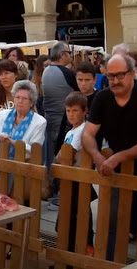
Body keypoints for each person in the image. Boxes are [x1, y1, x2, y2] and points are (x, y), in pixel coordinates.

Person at [82, 54, 137, 260]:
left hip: (125, 163)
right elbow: (88, 134)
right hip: (118, 171)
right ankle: (111, 263)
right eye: (110, 75)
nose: (114, 81)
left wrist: (118, 157)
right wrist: (98, 157)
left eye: (120, 75)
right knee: (114, 219)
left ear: (132, 74)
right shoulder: (102, 98)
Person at [0, 80, 46, 192]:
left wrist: (11, 141)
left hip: (22, 168)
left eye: (24, 98)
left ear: (31, 103)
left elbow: (34, 149)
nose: (20, 101)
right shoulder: (2, 115)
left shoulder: (39, 122)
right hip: (0, 164)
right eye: (17, 97)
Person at [54, 92, 95, 257]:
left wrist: (59, 158)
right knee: (66, 219)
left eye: (75, 110)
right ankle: (67, 253)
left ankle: (82, 252)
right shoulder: (70, 131)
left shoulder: (83, 131)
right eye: (68, 110)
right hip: (67, 180)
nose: (71, 114)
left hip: (79, 181)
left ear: (85, 111)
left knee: (81, 219)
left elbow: (64, 154)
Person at [42, 41, 78, 197]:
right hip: (64, 121)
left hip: (49, 120)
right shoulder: (67, 73)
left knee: (52, 157)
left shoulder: (46, 71)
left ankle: (52, 190)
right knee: (64, 157)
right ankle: (59, 193)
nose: (71, 56)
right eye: (69, 53)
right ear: (62, 55)